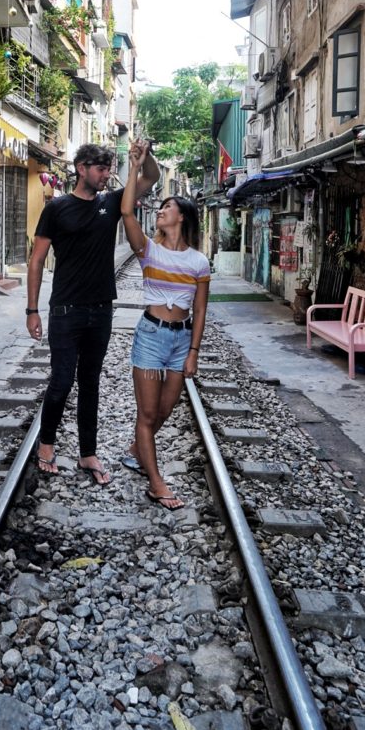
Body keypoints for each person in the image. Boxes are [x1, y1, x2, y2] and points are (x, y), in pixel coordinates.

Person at [26, 141, 160, 484]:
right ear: (81, 168)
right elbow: (37, 260)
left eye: (108, 170)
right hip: (65, 310)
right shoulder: (56, 209)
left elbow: (151, 177)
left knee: (90, 384)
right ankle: (46, 443)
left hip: (101, 310)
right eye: (100, 169)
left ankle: (88, 453)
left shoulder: (112, 202)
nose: (105, 176)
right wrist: (32, 309)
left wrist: (143, 158)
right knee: (60, 382)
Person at [120, 142, 210, 510]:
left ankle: (136, 449)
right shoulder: (148, 251)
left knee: (164, 412)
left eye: (167, 207)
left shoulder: (198, 261)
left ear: (182, 217)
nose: (160, 211)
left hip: (180, 340)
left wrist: (193, 353)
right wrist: (135, 166)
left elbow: (201, 312)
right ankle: (156, 482)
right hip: (151, 336)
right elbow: (127, 211)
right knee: (146, 414)